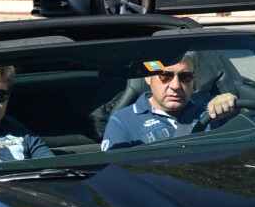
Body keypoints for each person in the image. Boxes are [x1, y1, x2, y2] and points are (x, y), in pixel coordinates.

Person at [101, 53, 238, 150]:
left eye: (185, 77)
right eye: (165, 76)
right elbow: (114, 173)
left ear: (194, 78)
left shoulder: (210, 107)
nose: (176, 85)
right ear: (148, 77)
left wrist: (230, 105)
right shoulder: (123, 122)